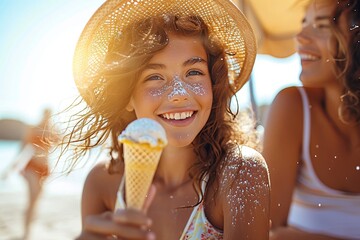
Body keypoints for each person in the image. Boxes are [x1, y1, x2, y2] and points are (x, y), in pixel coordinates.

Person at [60, 0, 270, 239]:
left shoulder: (239, 172)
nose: (178, 93)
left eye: (193, 72)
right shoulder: (102, 184)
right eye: (155, 77)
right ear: (127, 95)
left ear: (213, 84)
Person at [262, 0, 360, 239]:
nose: (301, 37)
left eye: (322, 26)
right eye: (304, 24)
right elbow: (265, 231)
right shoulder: (293, 106)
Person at [1, 108, 59, 240]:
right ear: (43, 114)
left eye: (49, 116)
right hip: (32, 167)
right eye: (46, 115)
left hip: (45, 168)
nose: (47, 118)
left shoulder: (52, 130)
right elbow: (23, 148)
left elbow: (60, 142)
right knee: (32, 198)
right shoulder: (33, 128)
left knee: (37, 200)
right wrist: (10, 168)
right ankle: (26, 233)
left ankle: (30, 226)